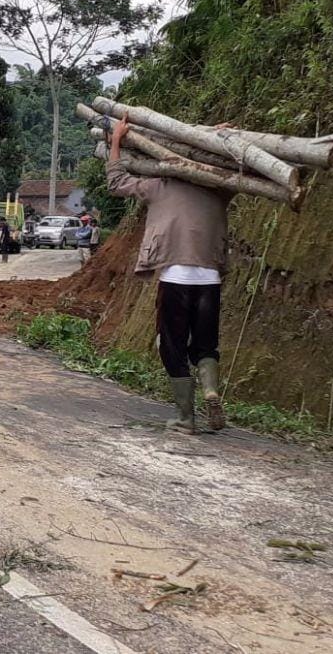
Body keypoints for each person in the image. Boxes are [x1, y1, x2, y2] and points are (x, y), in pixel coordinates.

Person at [107, 114, 232, 433]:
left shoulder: (160, 185)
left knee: (171, 345)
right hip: (210, 281)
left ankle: (186, 417)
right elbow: (245, 171)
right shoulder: (220, 187)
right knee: (205, 346)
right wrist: (222, 142)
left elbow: (116, 182)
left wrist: (116, 141)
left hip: (175, 279)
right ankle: (211, 390)